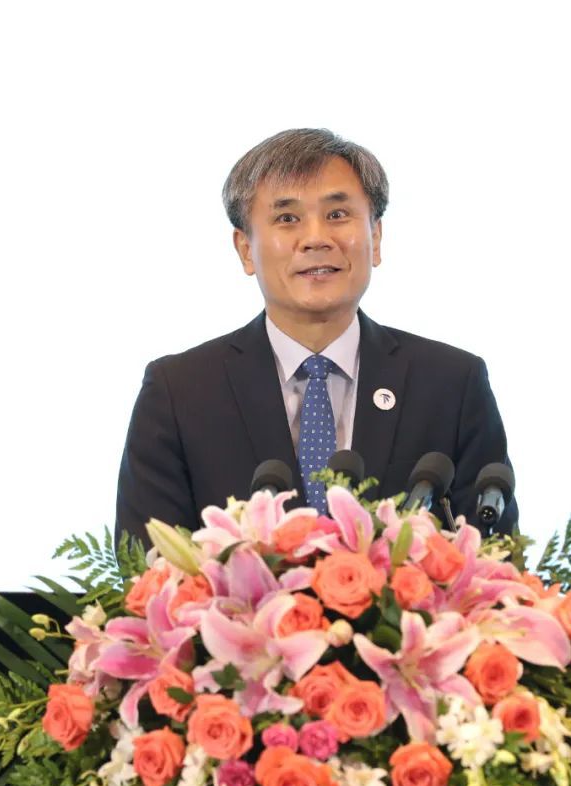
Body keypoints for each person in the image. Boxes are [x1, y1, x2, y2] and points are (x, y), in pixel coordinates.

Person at [115, 128, 517, 544]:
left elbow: (497, 560)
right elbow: (144, 567)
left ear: (376, 238)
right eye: (287, 218)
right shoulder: (180, 393)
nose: (316, 239)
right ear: (245, 249)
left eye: (337, 215)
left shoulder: (452, 385)